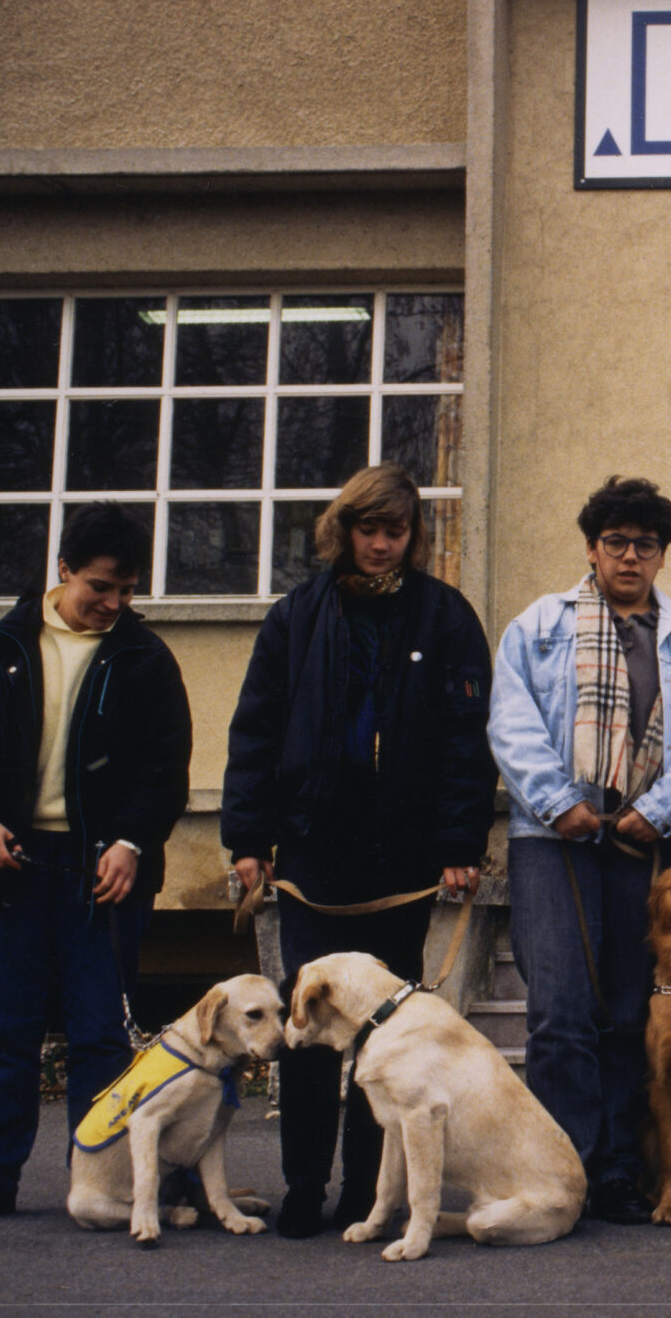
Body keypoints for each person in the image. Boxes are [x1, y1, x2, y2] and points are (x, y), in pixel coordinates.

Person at [222, 464, 497, 1239]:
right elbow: (256, 730)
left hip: (402, 861)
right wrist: (249, 839)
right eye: (368, 529)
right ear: (343, 531)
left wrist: (459, 842)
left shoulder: (445, 617)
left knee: (386, 1038)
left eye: (396, 531)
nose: (381, 545)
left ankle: (367, 1196)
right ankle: (304, 1186)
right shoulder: (297, 617)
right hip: (313, 857)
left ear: (413, 537)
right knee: (306, 1029)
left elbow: (464, 744)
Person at [488, 476, 671, 1225]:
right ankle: (559, 1169)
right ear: (592, 549)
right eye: (615, 543)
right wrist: (555, 800)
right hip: (555, 840)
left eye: (645, 544)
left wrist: (658, 808)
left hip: (653, 848)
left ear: (663, 555)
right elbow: (511, 720)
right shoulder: (539, 627)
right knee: (562, 1007)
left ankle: (618, 1171)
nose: (629, 556)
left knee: (636, 1009)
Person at [0, 503, 191, 1227]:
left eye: (128, 590)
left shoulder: (145, 659)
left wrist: (130, 841)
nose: (113, 604)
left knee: (100, 1036)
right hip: (8, 872)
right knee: (3, 1030)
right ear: (63, 570)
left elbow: (165, 772)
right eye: (100, 587)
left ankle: (99, 1179)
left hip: (100, 875)